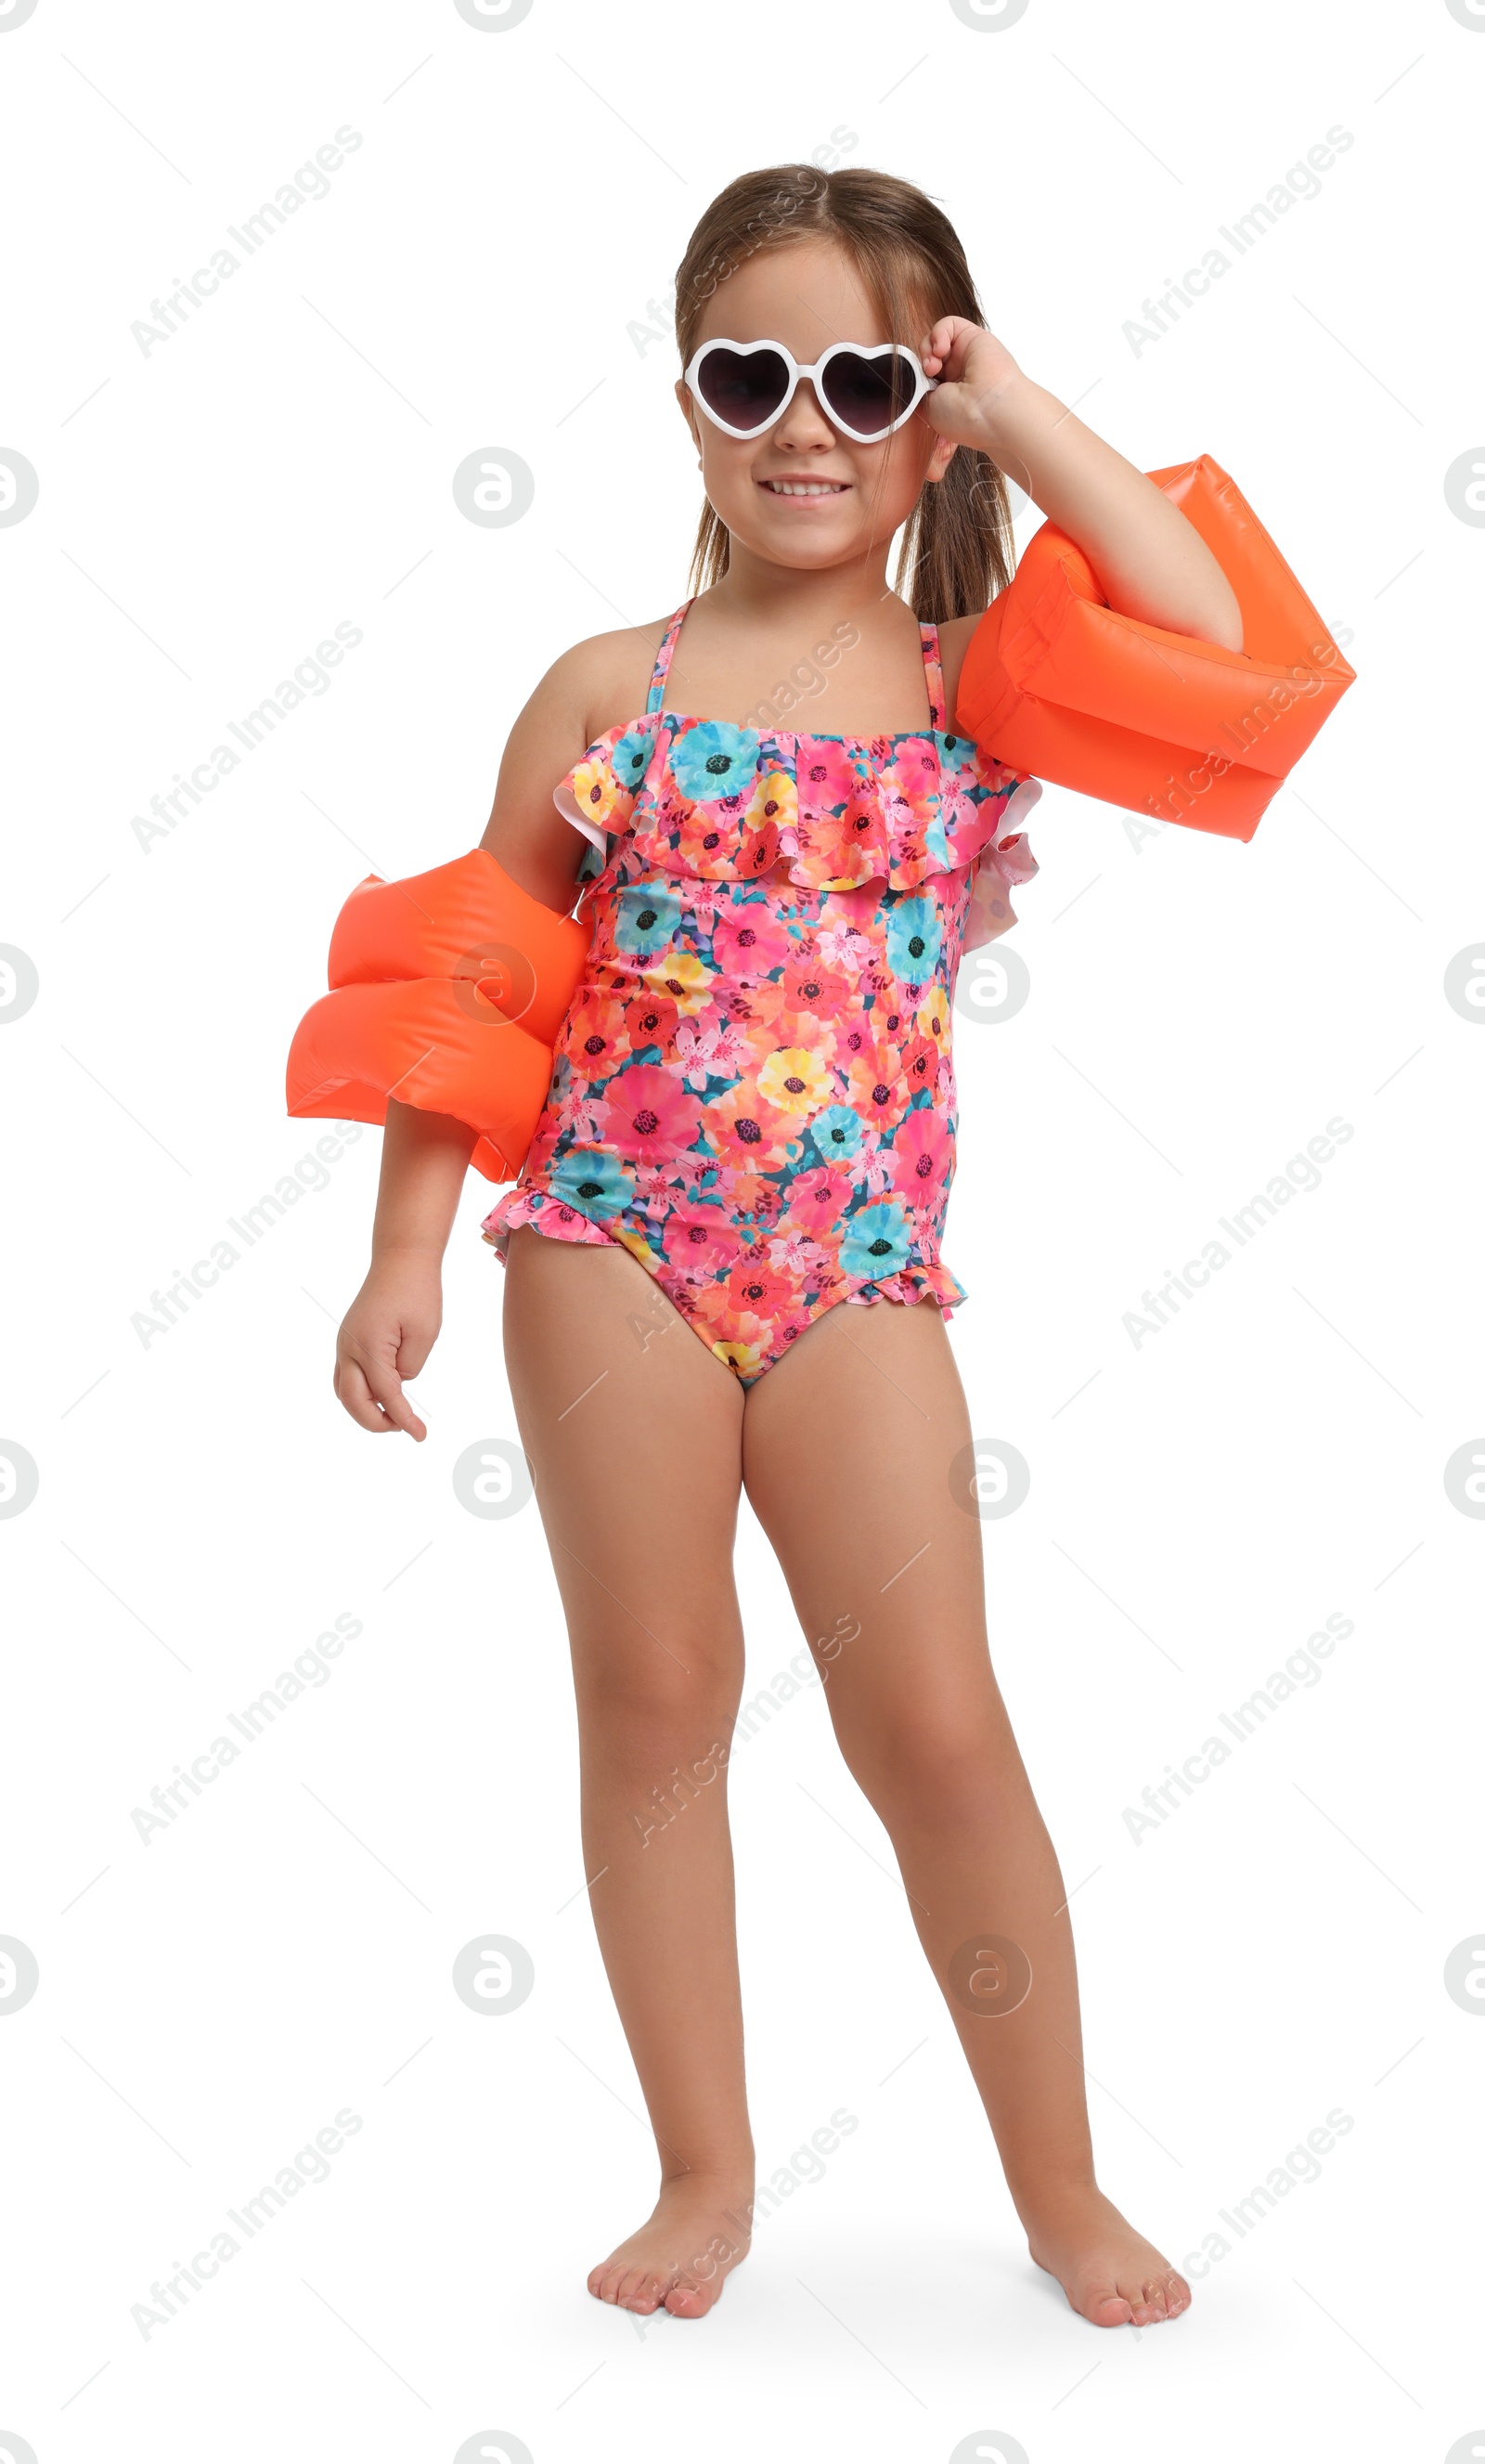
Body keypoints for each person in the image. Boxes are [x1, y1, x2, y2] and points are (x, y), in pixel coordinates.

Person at [329, 164, 1245, 2328]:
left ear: (921, 417)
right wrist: (400, 1244)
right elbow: (478, 974)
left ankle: (1061, 2181)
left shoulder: (971, 684)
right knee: (654, 1692)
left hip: (851, 1262)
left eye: (858, 376)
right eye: (750, 373)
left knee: (933, 1721)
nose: (800, 423)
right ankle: (706, 2166)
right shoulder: (593, 688)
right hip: (611, 1241)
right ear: (684, 404)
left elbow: (1201, 634)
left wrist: (1008, 408)